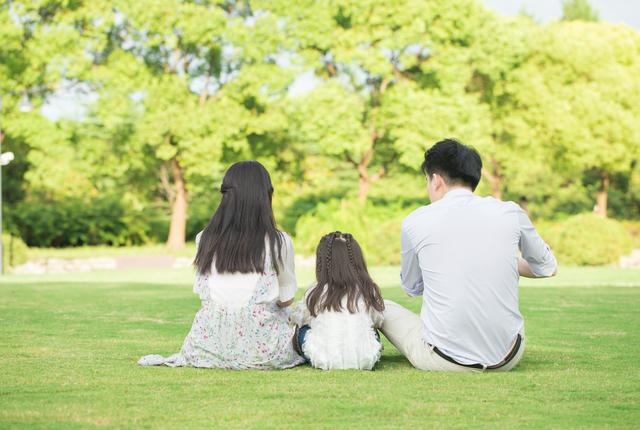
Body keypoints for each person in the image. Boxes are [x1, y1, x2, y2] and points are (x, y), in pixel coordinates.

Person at [381, 138, 557, 372]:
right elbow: (547, 268)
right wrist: (502, 261)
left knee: (380, 306)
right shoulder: (510, 212)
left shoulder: (416, 220)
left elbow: (412, 288)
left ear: (435, 180)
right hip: (509, 357)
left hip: (444, 360)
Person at [138, 161, 304, 370]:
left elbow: (205, 295)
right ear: (265, 196)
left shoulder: (204, 238)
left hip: (206, 347)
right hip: (262, 351)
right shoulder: (279, 242)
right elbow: (286, 299)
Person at [290, 232, 385, 370]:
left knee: (301, 330)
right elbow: (378, 320)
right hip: (364, 360)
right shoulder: (367, 289)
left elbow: (300, 318)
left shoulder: (316, 291)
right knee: (372, 331)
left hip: (324, 360)